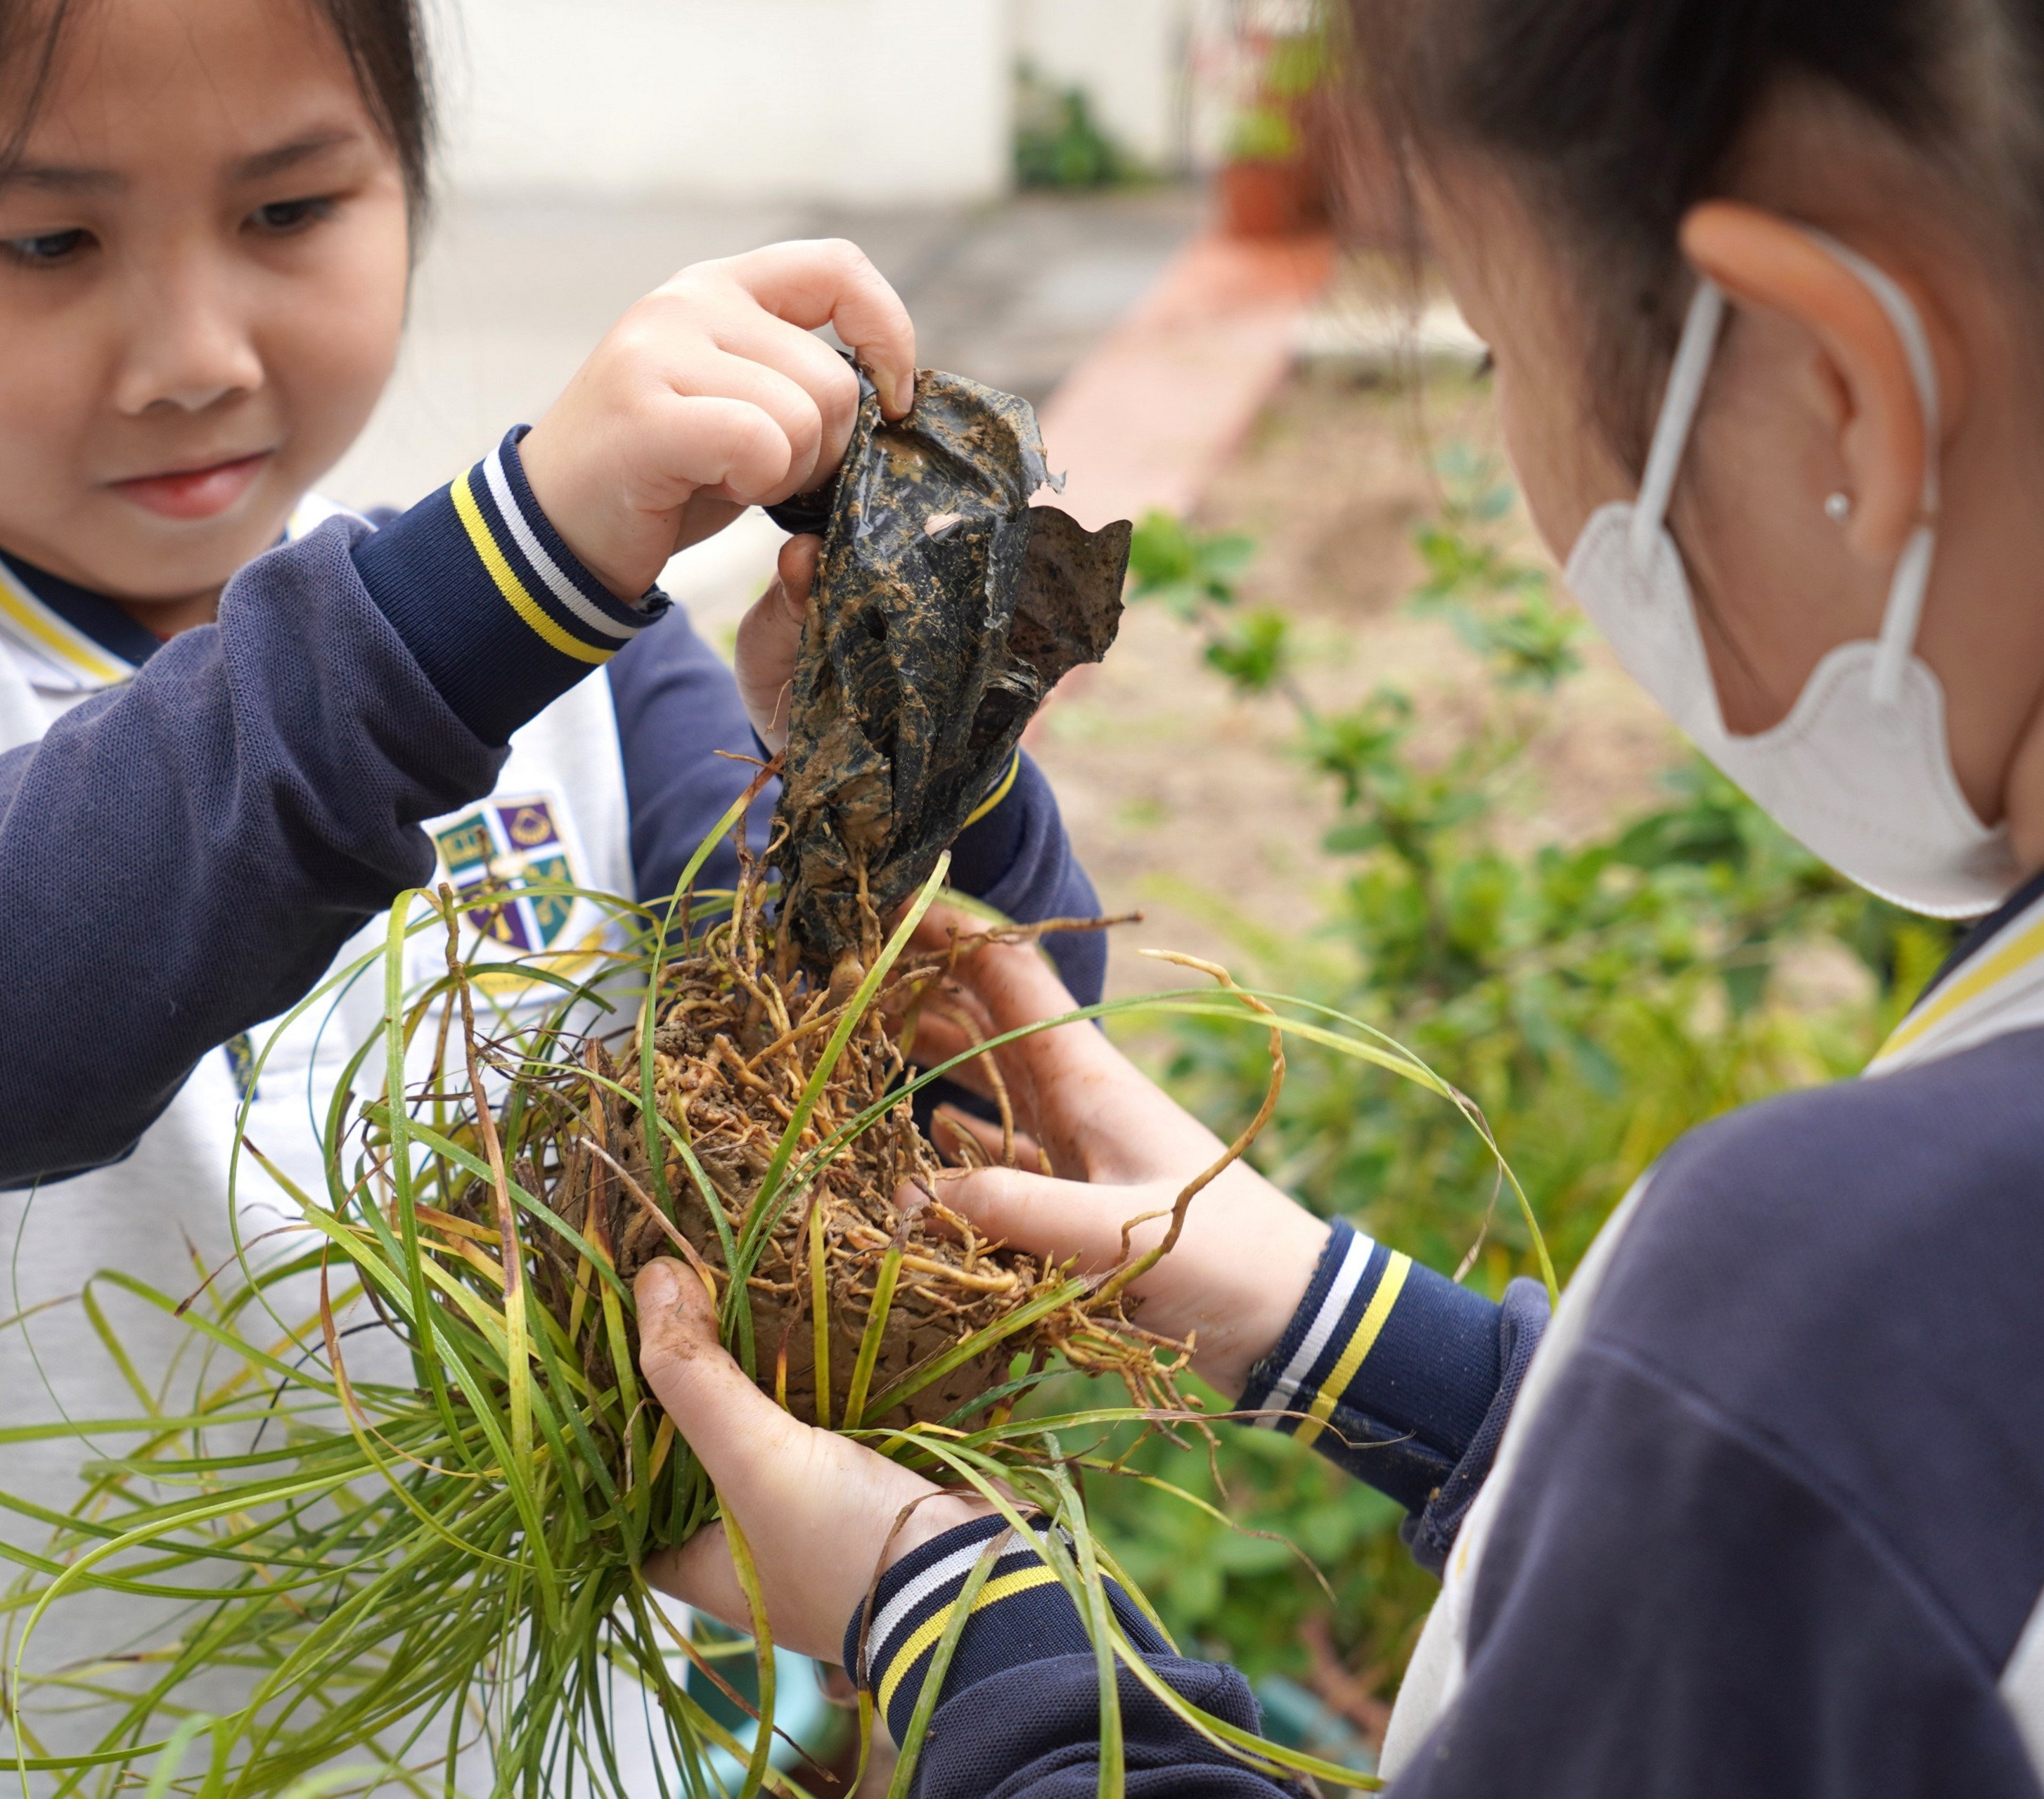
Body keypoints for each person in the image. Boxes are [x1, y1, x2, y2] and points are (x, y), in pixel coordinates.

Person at [0, 0, 1106, 1788]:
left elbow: (951, 1112)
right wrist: (497, 577)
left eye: (289, 211)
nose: (194, 353)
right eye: (49, 239)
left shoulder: (589, 676)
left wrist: (911, 722)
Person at [637, 1, 2044, 1793]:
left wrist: (950, 1611)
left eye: (1493, 356)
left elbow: (1810, 1488)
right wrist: (1340, 1324)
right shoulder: (1841, 1368)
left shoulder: (1825, 1308)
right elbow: (1857, 1555)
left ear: (1833, 381)